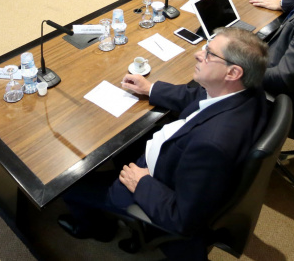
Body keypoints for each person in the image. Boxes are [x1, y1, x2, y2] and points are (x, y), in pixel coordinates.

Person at [58, 26, 269, 259]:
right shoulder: (246, 89)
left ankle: (97, 229)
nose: (198, 54)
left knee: (72, 185)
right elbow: (198, 96)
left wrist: (142, 183)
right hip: (176, 155)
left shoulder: (211, 145)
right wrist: (151, 89)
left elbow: (182, 218)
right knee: (122, 138)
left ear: (233, 72)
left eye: (209, 54)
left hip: (157, 180)